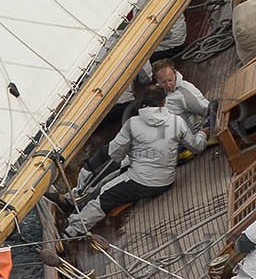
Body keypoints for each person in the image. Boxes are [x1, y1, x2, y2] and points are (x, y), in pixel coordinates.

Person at [60, 86, 206, 237]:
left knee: (104, 195)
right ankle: (75, 201)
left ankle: (72, 231)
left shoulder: (132, 124)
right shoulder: (176, 121)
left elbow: (115, 154)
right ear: (163, 102)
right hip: (166, 180)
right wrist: (202, 133)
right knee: (119, 172)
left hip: (142, 182)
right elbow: (197, 146)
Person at [152, 59, 210, 133]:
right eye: (163, 82)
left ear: (175, 73)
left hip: (188, 136)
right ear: (157, 79)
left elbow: (206, 109)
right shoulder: (155, 93)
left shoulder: (185, 92)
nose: (168, 85)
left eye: (170, 80)